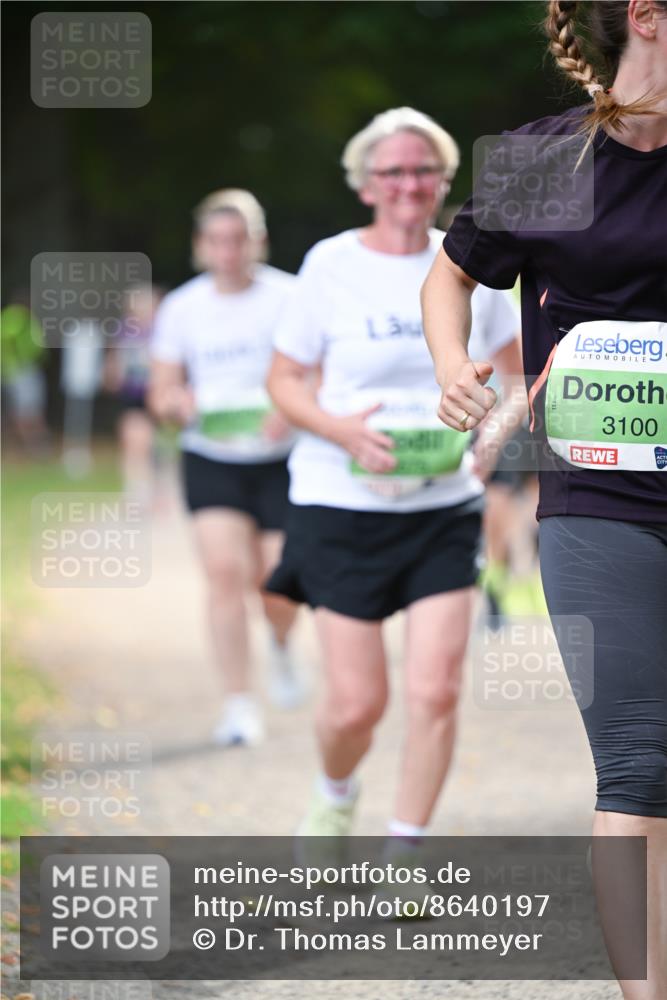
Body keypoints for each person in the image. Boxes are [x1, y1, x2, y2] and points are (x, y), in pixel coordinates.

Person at [421, 2, 666, 995]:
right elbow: (449, 278)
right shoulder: (548, 159)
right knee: (640, 759)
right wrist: (451, 365)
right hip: (601, 491)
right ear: (645, 16)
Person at [265, 108, 522, 861]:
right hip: (339, 503)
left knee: (435, 690)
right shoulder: (329, 264)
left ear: (443, 179)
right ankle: (335, 793)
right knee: (355, 705)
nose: (407, 184)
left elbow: (518, 375)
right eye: (391, 171)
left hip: (444, 507)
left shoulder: (469, 263)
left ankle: (405, 851)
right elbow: (281, 380)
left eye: (422, 169)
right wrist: (341, 429)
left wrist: (490, 443)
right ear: (364, 184)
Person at [149, 188, 305, 747]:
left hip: (281, 458)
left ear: (256, 241)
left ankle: (283, 647)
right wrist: (175, 405)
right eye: (217, 240)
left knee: (278, 584)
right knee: (223, 575)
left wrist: (291, 411)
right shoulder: (182, 308)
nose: (229, 250)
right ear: (202, 246)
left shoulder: (289, 296)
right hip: (210, 455)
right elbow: (162, 390)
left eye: (239, 239)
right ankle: (239, 704)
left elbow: (315, 372)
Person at [103, 284, 163, 507]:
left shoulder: (163, 330)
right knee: (134, 441)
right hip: (131, 396)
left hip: (157, 395)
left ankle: (155, 491)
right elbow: (112, 364)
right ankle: (135, 491)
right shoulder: (123, 331)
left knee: (151, 445)